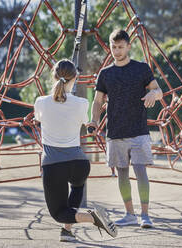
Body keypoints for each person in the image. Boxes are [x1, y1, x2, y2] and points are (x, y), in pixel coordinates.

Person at [34, 59, 117, 242]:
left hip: (54, 165)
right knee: (77, 187)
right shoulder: (82, 103)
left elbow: (39, 118)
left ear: (53, 77)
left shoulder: (41, 102)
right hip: (79, 164)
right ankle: (67, 232)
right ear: (75, 79)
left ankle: (92, 217)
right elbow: (80, 119)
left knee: (58, 213)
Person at [88, 29, 163, 228]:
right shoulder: (105, 74)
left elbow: (159, 90)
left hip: (138, 130)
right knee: (122, 174)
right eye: (114, 47)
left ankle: (145, 215)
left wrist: (152, 95)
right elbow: (97, 101)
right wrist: (94, 120)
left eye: (121, 47)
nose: (117, 51)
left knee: (140, 171)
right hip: (115, 131)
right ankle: (129, 214)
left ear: (129, 46)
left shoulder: (141, 68)